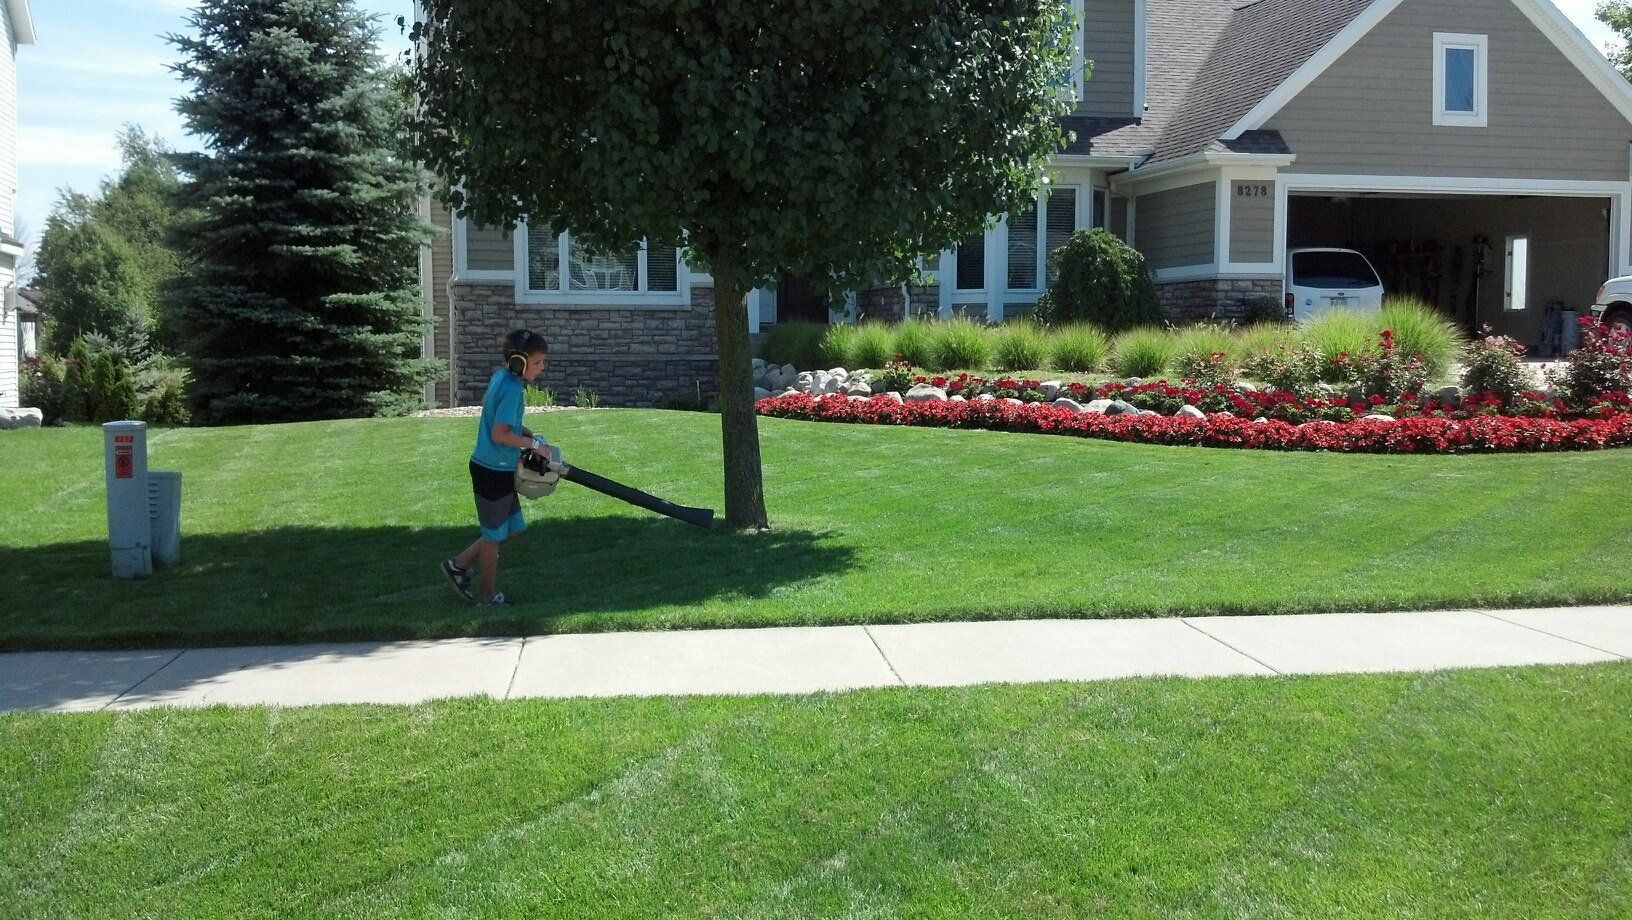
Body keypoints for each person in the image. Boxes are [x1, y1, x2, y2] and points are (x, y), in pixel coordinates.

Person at [442, 329, 550, 605]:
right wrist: (532, 445)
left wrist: (528, 435)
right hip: (491, 471)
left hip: (498, 469)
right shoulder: (512, 389)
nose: (542, 368)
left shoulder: (500, 378)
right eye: (538, 363)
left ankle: (458, 564)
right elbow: (499, 434)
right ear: (520, 362)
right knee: (493, 537)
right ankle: (487, 599)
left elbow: (501, 423)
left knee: (512, 529)